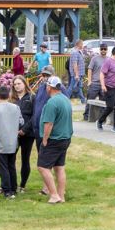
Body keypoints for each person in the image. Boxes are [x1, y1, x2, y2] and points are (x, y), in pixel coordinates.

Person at [37, 76, 74, 204]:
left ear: (49, 87)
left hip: (54, 139)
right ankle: (61, 196)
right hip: (65, 138)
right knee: (59, 167)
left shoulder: (52, 103)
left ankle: (54, 195)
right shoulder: (65, 99)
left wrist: (45, 139)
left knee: (43, 167)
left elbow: (48, 124)